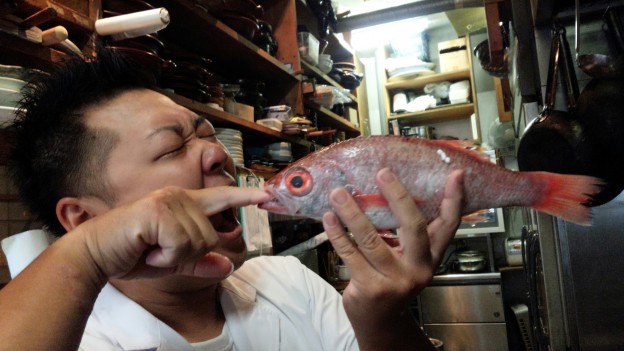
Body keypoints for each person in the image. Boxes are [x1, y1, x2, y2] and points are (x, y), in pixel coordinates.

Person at [0, 48, 465, 351]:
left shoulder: (287, 282)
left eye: (207, 134)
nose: (218, 153)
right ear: (84, 219)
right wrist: (88, 254)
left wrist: (382, 316)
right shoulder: (78, 339)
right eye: (172, 147)